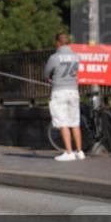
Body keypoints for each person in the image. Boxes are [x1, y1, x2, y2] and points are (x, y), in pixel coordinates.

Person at [44, 33, 84, 161]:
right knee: (75, 123)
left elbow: (46, 74)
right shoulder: (76, 56)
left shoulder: (54, 57)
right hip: (73, 91)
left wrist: (49, 79)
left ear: (58, 43)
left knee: (63, 122)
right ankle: (79, 151)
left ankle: (68, 152)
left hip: (59, 92)